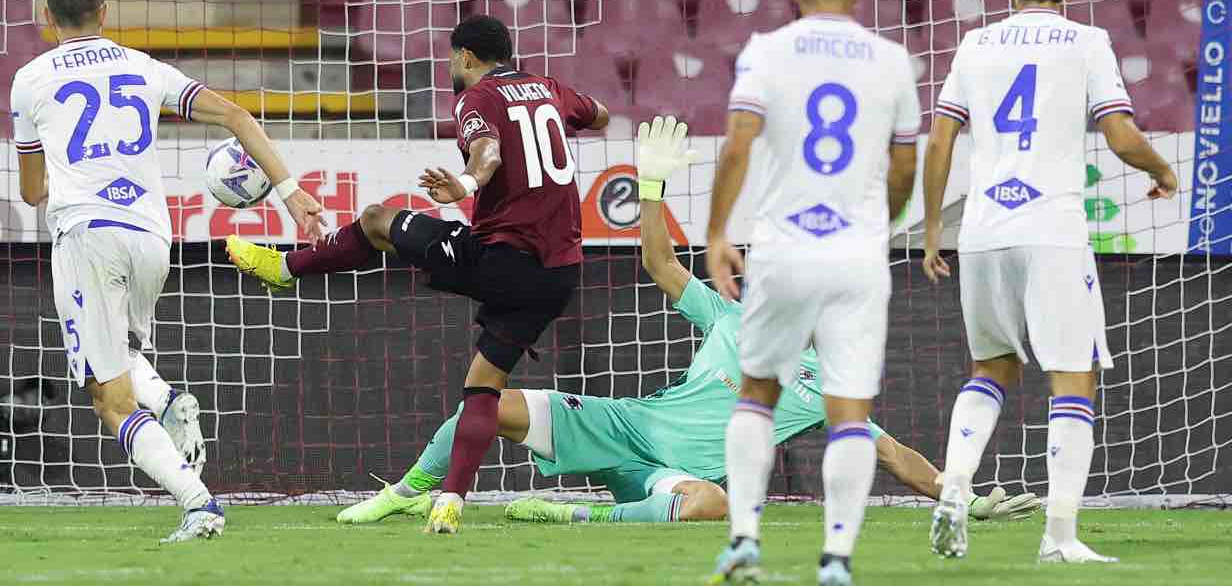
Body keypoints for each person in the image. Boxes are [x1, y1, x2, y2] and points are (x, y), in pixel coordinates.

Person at [335, 117, 1039, 528]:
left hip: (668, 478)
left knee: (713, 503)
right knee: (487, 406)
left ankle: (571, 514)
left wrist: (959, 495)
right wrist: (652, 186)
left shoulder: (825, 384)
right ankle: (405, 492)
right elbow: (663, 264)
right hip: (626, 424)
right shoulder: (734, 317)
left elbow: (893, 456)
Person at [226, 14, 610, 534]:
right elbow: (601, 114)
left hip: (503, 261)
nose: (450, 67)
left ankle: (286, 268)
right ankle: (450, 500)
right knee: (483, 388)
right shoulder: (547, 87)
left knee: (378, 220)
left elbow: (489, 150)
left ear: (467, 57)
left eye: (452, 58)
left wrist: (467, 182)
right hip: (559, 275)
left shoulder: (476, 99)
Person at [11, 0, 324, 542]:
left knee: (108, 399)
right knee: (124, 362)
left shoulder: (29, 80)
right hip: (153, 238)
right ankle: (171, 400)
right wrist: (288, 191)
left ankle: (198, 502)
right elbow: (236, 116)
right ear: (105, 13)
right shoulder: (144, 67)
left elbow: (32, 192)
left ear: (46, 18)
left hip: (87, 236)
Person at [921, 0, 1178, 564]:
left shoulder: (976, 44)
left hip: (982, 230)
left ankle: (954, 485)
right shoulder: (1087, 40)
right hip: (1051, 229)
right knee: (1075, 377)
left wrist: (932, 230)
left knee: (991, 369)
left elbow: (941, 138)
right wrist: (1161, 168)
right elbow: (1118, 132)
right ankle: (1059, 538)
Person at [704, 0, 921, 586]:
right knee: (849, 410)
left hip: (783, 249)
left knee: (758, 392)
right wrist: (877, 222)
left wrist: (718, 231)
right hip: (855, 255)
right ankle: (836, 561)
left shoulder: (766, 52)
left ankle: (744, 538)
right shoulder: (892, 60)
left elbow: (739, 143)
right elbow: (906, 164)